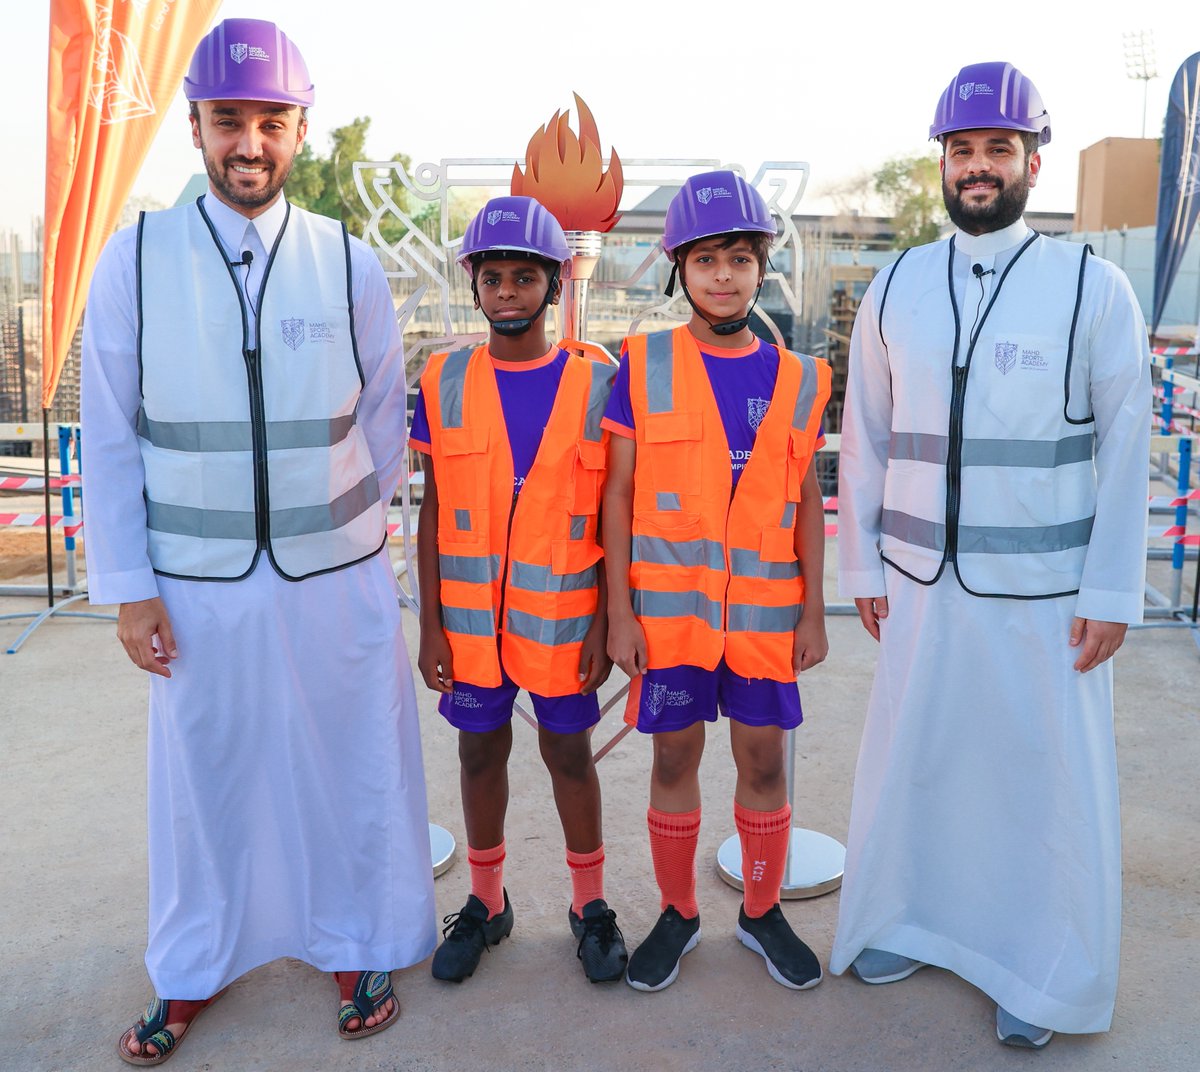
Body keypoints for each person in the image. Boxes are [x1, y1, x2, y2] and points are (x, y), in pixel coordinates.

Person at [80, 18, 436, 1063]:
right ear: (193, 126)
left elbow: (382, 426)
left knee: (345, 765)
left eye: (270, 122)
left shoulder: (346, 260)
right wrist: (131, 588)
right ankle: (193, 965)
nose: (250, 144)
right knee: (209, 776)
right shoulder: (135, 258)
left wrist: (370, 566)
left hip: (335, 580)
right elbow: (109, 433)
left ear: (300, 127)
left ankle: (356, 940)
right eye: (228, 120)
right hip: (196, 588)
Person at [832, 61, 1151, 1048]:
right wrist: (864, 567)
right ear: (943, 163)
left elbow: (1127, 444)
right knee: (920, 761)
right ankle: (907, 918)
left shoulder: (1092, 288)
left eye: (997, 150)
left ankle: (1043, 971)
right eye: (962, 150)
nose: (978, 167)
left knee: (1035, 783)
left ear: (1031, 162)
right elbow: (868, 438)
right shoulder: (895, 284)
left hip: (1045, 599)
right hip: (923, 589)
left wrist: (1112, 591)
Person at [602, 170, 831, 993]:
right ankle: (678, 912)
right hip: (671, 618)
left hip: (767, 616)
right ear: (679, 271)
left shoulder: (801, 377)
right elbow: (620, 492)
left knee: (764, 762)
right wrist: (619, 615)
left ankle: (762, 912)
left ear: (762, 266)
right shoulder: (643, 363)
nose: (723, 275)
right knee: (675, 759)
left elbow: (805, 496)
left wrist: (813, 609)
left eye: (739, 258)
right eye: (705, 261)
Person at [411, 195, 627, 985]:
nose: (508, 291)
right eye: (493, 277)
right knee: (478, 754)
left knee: (569, 754)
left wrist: (607, 621)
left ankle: (591, 906)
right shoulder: (445, 378)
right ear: (474, 286)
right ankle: (486, 903)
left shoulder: (598, 381)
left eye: (524, 276)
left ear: (554, 283)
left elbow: (613, 512)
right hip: (469, 626)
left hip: (563, 619)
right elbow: (435, 507)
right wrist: (431, 625)